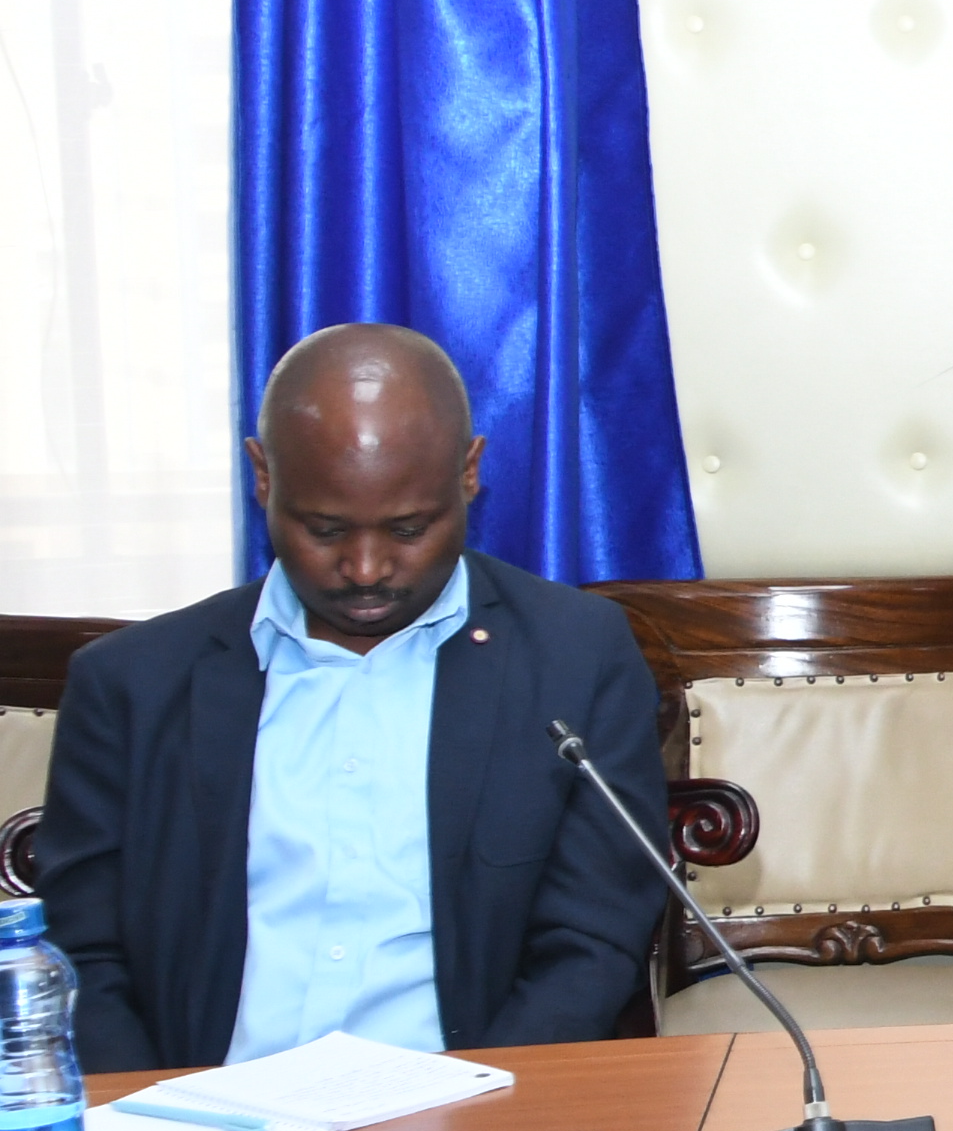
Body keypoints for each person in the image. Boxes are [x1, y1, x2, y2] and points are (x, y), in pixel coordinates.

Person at [33, 325, 668, 1072]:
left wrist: (486, 1110)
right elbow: (83, 956)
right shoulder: (133, 684)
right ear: (262, 476)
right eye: (324, 529)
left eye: (407, 529)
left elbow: (593, 941)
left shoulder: (575, 655)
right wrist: (155, 1119)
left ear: (469, 473)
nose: (365, 569)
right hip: (204, 1119)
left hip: (475, 1112)